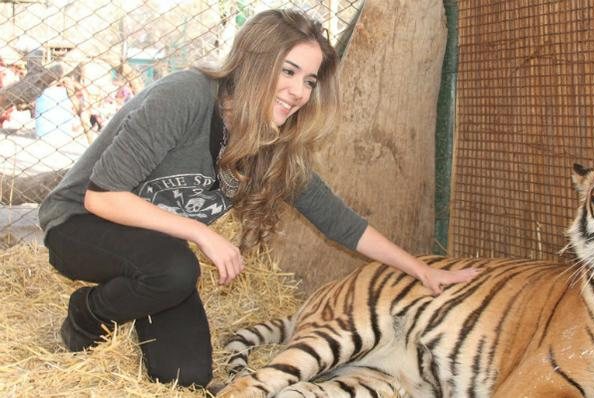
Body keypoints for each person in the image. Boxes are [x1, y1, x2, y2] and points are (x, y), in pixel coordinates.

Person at [38, 9, 479, 389]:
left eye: (309, 80)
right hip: (80, 226)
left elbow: (340, 222)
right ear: (253, 62)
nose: (300, 92)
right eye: (288, 71)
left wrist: (420, 269)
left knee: (184, 376)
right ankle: (87, 313)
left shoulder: (270, 141)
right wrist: (201, 234)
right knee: (174, 268)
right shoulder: (186, 96)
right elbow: (102, 197)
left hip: (151, 249)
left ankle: (132, 298)